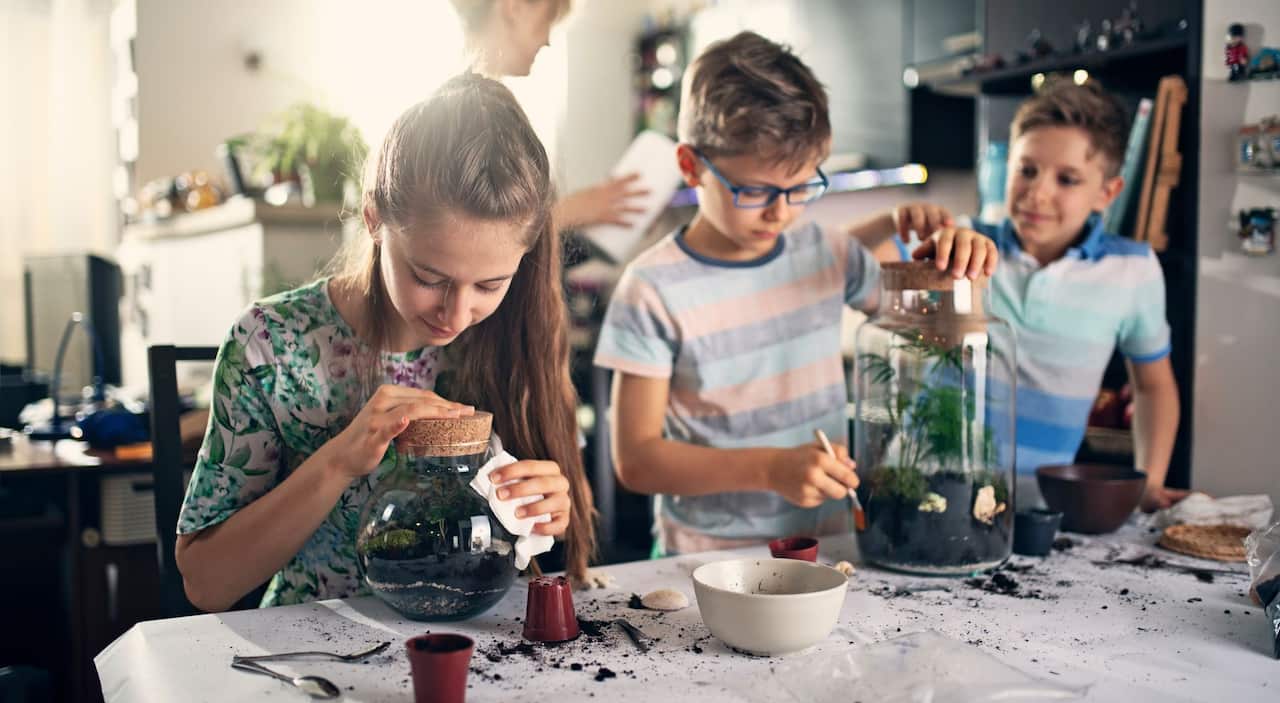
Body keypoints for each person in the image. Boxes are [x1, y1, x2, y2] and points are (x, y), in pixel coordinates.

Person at [175, 74, 596, 611]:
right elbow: (206, 583)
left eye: (490, 285)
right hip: (312, 636)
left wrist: (546, 507)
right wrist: (337, 461)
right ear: (373, 219)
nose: (456, 314)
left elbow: (539, 537)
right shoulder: (269, 345)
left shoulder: (515, 335)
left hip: (476, 631)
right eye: (429, 277)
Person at [593, 31, 998, 555]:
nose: (780, 212)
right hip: (705, 554)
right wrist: (770, 468)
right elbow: (637, 461)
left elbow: (938, 335)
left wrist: (958, 262)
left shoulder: (826, 253)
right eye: (755, 191)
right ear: (692, 166)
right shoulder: (651, 288)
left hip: (827, 544)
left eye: (800, 187)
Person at [935, 78, 1184, 512]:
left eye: (1067, 179)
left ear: (1107, 193)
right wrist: (898, 223)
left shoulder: (1133, 269)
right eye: (1026, 170)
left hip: (1040, 509)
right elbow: (855, 270)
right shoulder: (963, 243)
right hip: (927, 491)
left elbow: (1152, 386)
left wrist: (1151, 481)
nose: (1038, 193)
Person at [450, 0, 649, 232]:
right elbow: (484, 235)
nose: (547, 41)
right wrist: (574, 210)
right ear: (515, 7)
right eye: (548, 20)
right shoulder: (464, 115)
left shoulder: (484, 106)